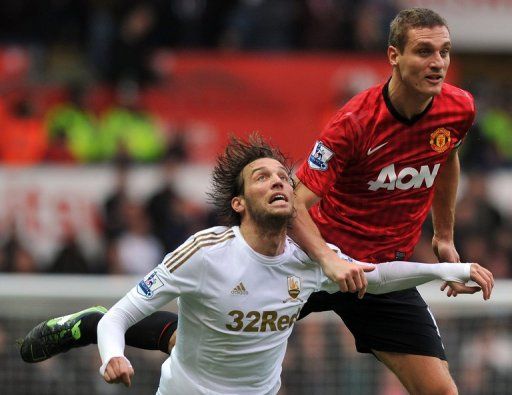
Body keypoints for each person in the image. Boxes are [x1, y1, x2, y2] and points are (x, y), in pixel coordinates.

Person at [20, 135, 492, 394]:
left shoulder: (308, 257)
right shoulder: (204, 253)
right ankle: (88, 323)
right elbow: (125, 314)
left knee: (217, 327)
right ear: (240, 202)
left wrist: (449, 270)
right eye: (261, 177)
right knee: (205, 326)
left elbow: (380, 274)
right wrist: (113, 353)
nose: (279, 182)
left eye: (284, 176)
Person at [289, 7, 494, 394]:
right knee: (216, 346)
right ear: (394, 56)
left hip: (383, 277)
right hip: (316, 266)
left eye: (444, 52)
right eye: (424, 52)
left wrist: (444, 236)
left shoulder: (459, 108)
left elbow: (446, 156)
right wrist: (328, 260)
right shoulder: (353, 122)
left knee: (441, 392)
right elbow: (295, 203)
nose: (438, 63)